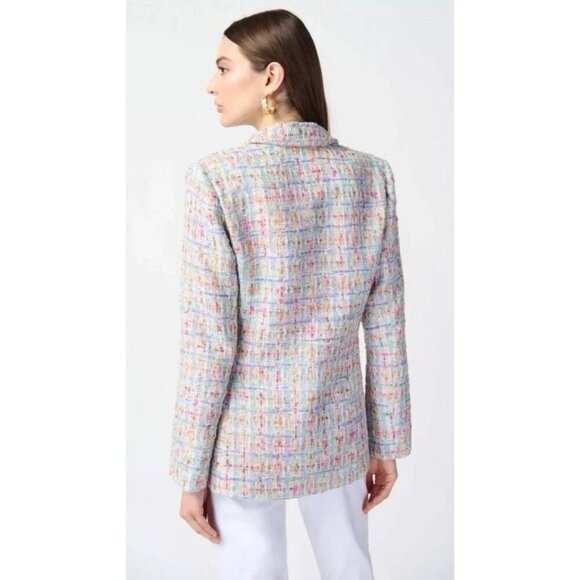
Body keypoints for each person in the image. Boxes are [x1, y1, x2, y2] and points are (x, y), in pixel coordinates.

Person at [169, 8, 412, 580]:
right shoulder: (369, 176)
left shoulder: (217, 180)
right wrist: (386, 443)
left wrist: (190, 470)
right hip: (340, 432)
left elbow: (211, 343)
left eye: (224, 68)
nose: (210, 84)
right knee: (350, 568)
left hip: (246, 441)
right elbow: (386, 327)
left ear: (271, 77)